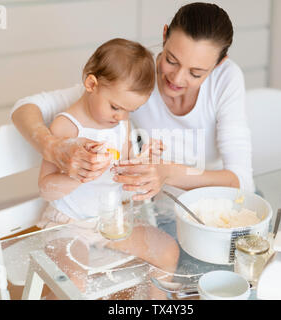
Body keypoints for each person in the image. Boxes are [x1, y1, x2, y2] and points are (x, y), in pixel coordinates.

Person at [11, 3, 255, 202]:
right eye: (171, 59)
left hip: (213, 203)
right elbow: (25, 108)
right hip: (160, 209)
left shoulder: (226, 79)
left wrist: (167, 171)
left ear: (219, 64)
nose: (177, 79)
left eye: (196, 73)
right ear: (164, 36)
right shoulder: (137, 75)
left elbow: (242, 181)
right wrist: (53, 148)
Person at [35, 38, 180, 300]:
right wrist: (78, 174)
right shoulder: (66, 127)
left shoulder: (120, 124)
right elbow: (46, 188)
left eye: (130, 110)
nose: (122, 117)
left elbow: (122, 171)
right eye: (116, 107)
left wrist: (143, 162)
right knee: (73, 284)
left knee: (168, 251)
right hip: (68, 223)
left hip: (110, 219)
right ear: (91, 84)